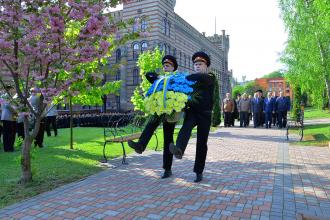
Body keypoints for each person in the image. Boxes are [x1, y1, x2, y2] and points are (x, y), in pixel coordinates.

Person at [128, 55, 179, 179]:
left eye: (168, 66)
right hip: (159, 109)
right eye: (164, 66)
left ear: (173, 67)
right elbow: (148, 75)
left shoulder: (177, 79)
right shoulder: (159, 79)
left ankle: (167, 169)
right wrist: (158, 76)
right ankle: (140, 146)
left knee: (168, 139)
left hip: (171, 111)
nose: (165, 68)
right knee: (150, 125)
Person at [169, 51, 215, 183]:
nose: (197, 66)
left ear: (206, 66)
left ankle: (199, 172)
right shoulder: (191, 79)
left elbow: (202, 78)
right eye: (195, 64)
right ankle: (179, 149)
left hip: (205, 114)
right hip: (193, 112)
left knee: (201, 144)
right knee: (185, 128)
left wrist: (188, 77)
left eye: (200, 64)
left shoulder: (210, 77)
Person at [1, 86, 17, 152]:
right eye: (12, 89)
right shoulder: (5, 96)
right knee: (8, 133)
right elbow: (7, 105)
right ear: (9, 89)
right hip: (7, 117)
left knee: (9, 133)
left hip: (9, 117)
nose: (13, 90)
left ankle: (9, 147)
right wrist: (15, 111)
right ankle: (8, 148)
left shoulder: (7, 96)